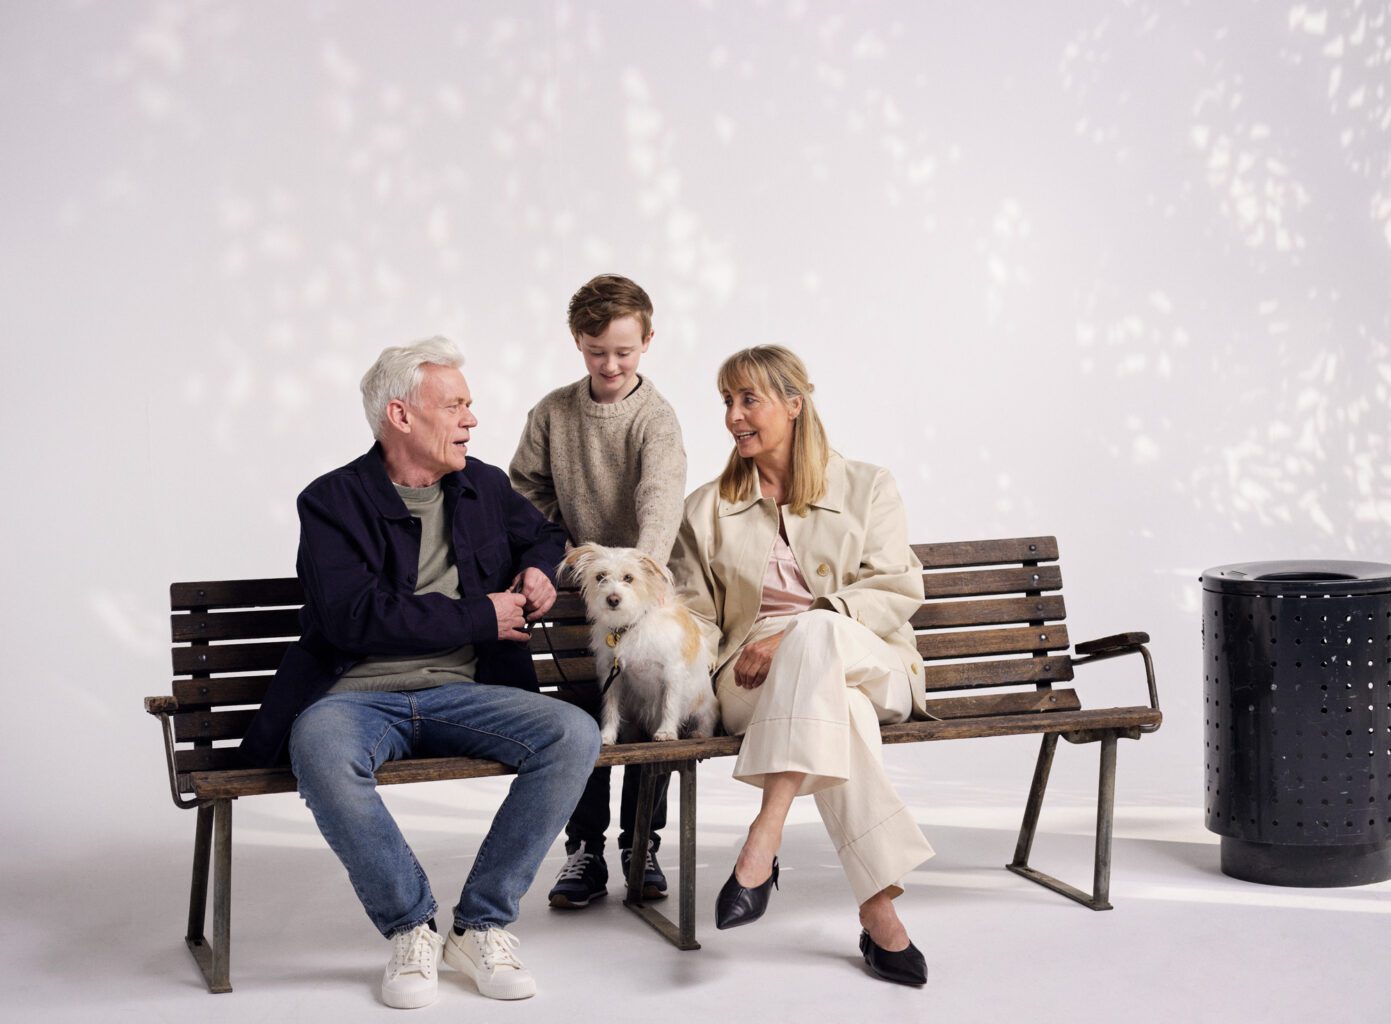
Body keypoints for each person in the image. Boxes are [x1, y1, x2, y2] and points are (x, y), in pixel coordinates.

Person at [238, 337, 601, 1009]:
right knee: (316, 745)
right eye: (455, 405)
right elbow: (351, 618)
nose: (470, 419)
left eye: (470, 405)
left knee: (573, 735)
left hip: (467, 695)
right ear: (400, 415)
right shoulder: (330, 502)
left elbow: (543, 535)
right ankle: (410, 926)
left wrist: (537, 568)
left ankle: (482, 923)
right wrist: (475, 618)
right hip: (354, 702)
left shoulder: (483, 486)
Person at [669, 345, 933, 987]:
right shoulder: (706, 507)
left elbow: (897, 589)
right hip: (752, 678)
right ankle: (879, 915)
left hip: (866, 654)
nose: (733, 415)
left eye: (747, 399)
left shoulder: (869, 486)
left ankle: (765, 836)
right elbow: (697, 620)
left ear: (795, 403)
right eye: (726, 402)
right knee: (838, 711)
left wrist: (799, 633)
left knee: (816, 631)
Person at [509, 274, 687, 908]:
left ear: (647, 342)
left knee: (645, 710)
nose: (610, 364)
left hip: (646, 588)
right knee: (583, 712)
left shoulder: (655, 420)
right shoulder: (553, 413)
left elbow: (660, 502)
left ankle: (643, 844)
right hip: (580, 588)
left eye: (623, 351)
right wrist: (564, 558)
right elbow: (524, 491)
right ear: (576, 342)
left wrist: (641, 583)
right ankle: (584, 850)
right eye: (595, 351)